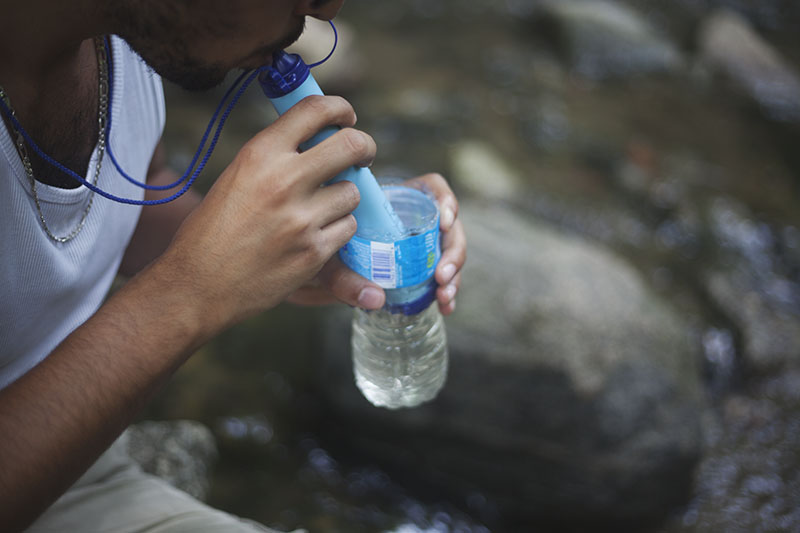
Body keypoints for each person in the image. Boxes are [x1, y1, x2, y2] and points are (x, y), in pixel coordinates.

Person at [0, 0, 467, 531]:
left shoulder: (120, 39)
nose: (327, 8)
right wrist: (190, 294)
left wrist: (273, 250)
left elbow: (136, 188)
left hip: (79, 460)